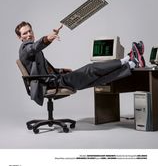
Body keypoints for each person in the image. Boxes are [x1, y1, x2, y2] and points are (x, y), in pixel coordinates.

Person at [15, 21, 145, 106]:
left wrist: (60, 70)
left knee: (98, 80)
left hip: (54, 79)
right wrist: (47, 38)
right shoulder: (25, 48)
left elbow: (42, 68)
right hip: (53, 82)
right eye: (24, 33)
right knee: (91, 69)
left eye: (30, 31)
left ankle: (133, 63)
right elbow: (34, 47)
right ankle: (127, 59)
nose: (29, 35)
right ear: (20, 37)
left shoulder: (31, 50)